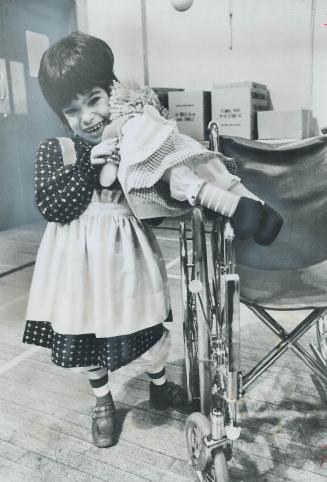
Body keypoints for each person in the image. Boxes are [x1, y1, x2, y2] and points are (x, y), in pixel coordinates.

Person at [23, 31, 283, 449]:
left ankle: (158, 383)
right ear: (61, 116)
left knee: (147, 324)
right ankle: (102, 400)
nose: (88, 117)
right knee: (88, 332)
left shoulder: (127, 137)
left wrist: (144, 144)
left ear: (112, 89)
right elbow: (54, 206)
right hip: (77, 262)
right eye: (73, 111)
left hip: (128, 254)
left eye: (94, 100)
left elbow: (152, 200)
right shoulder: (58, 150)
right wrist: (90, 165)